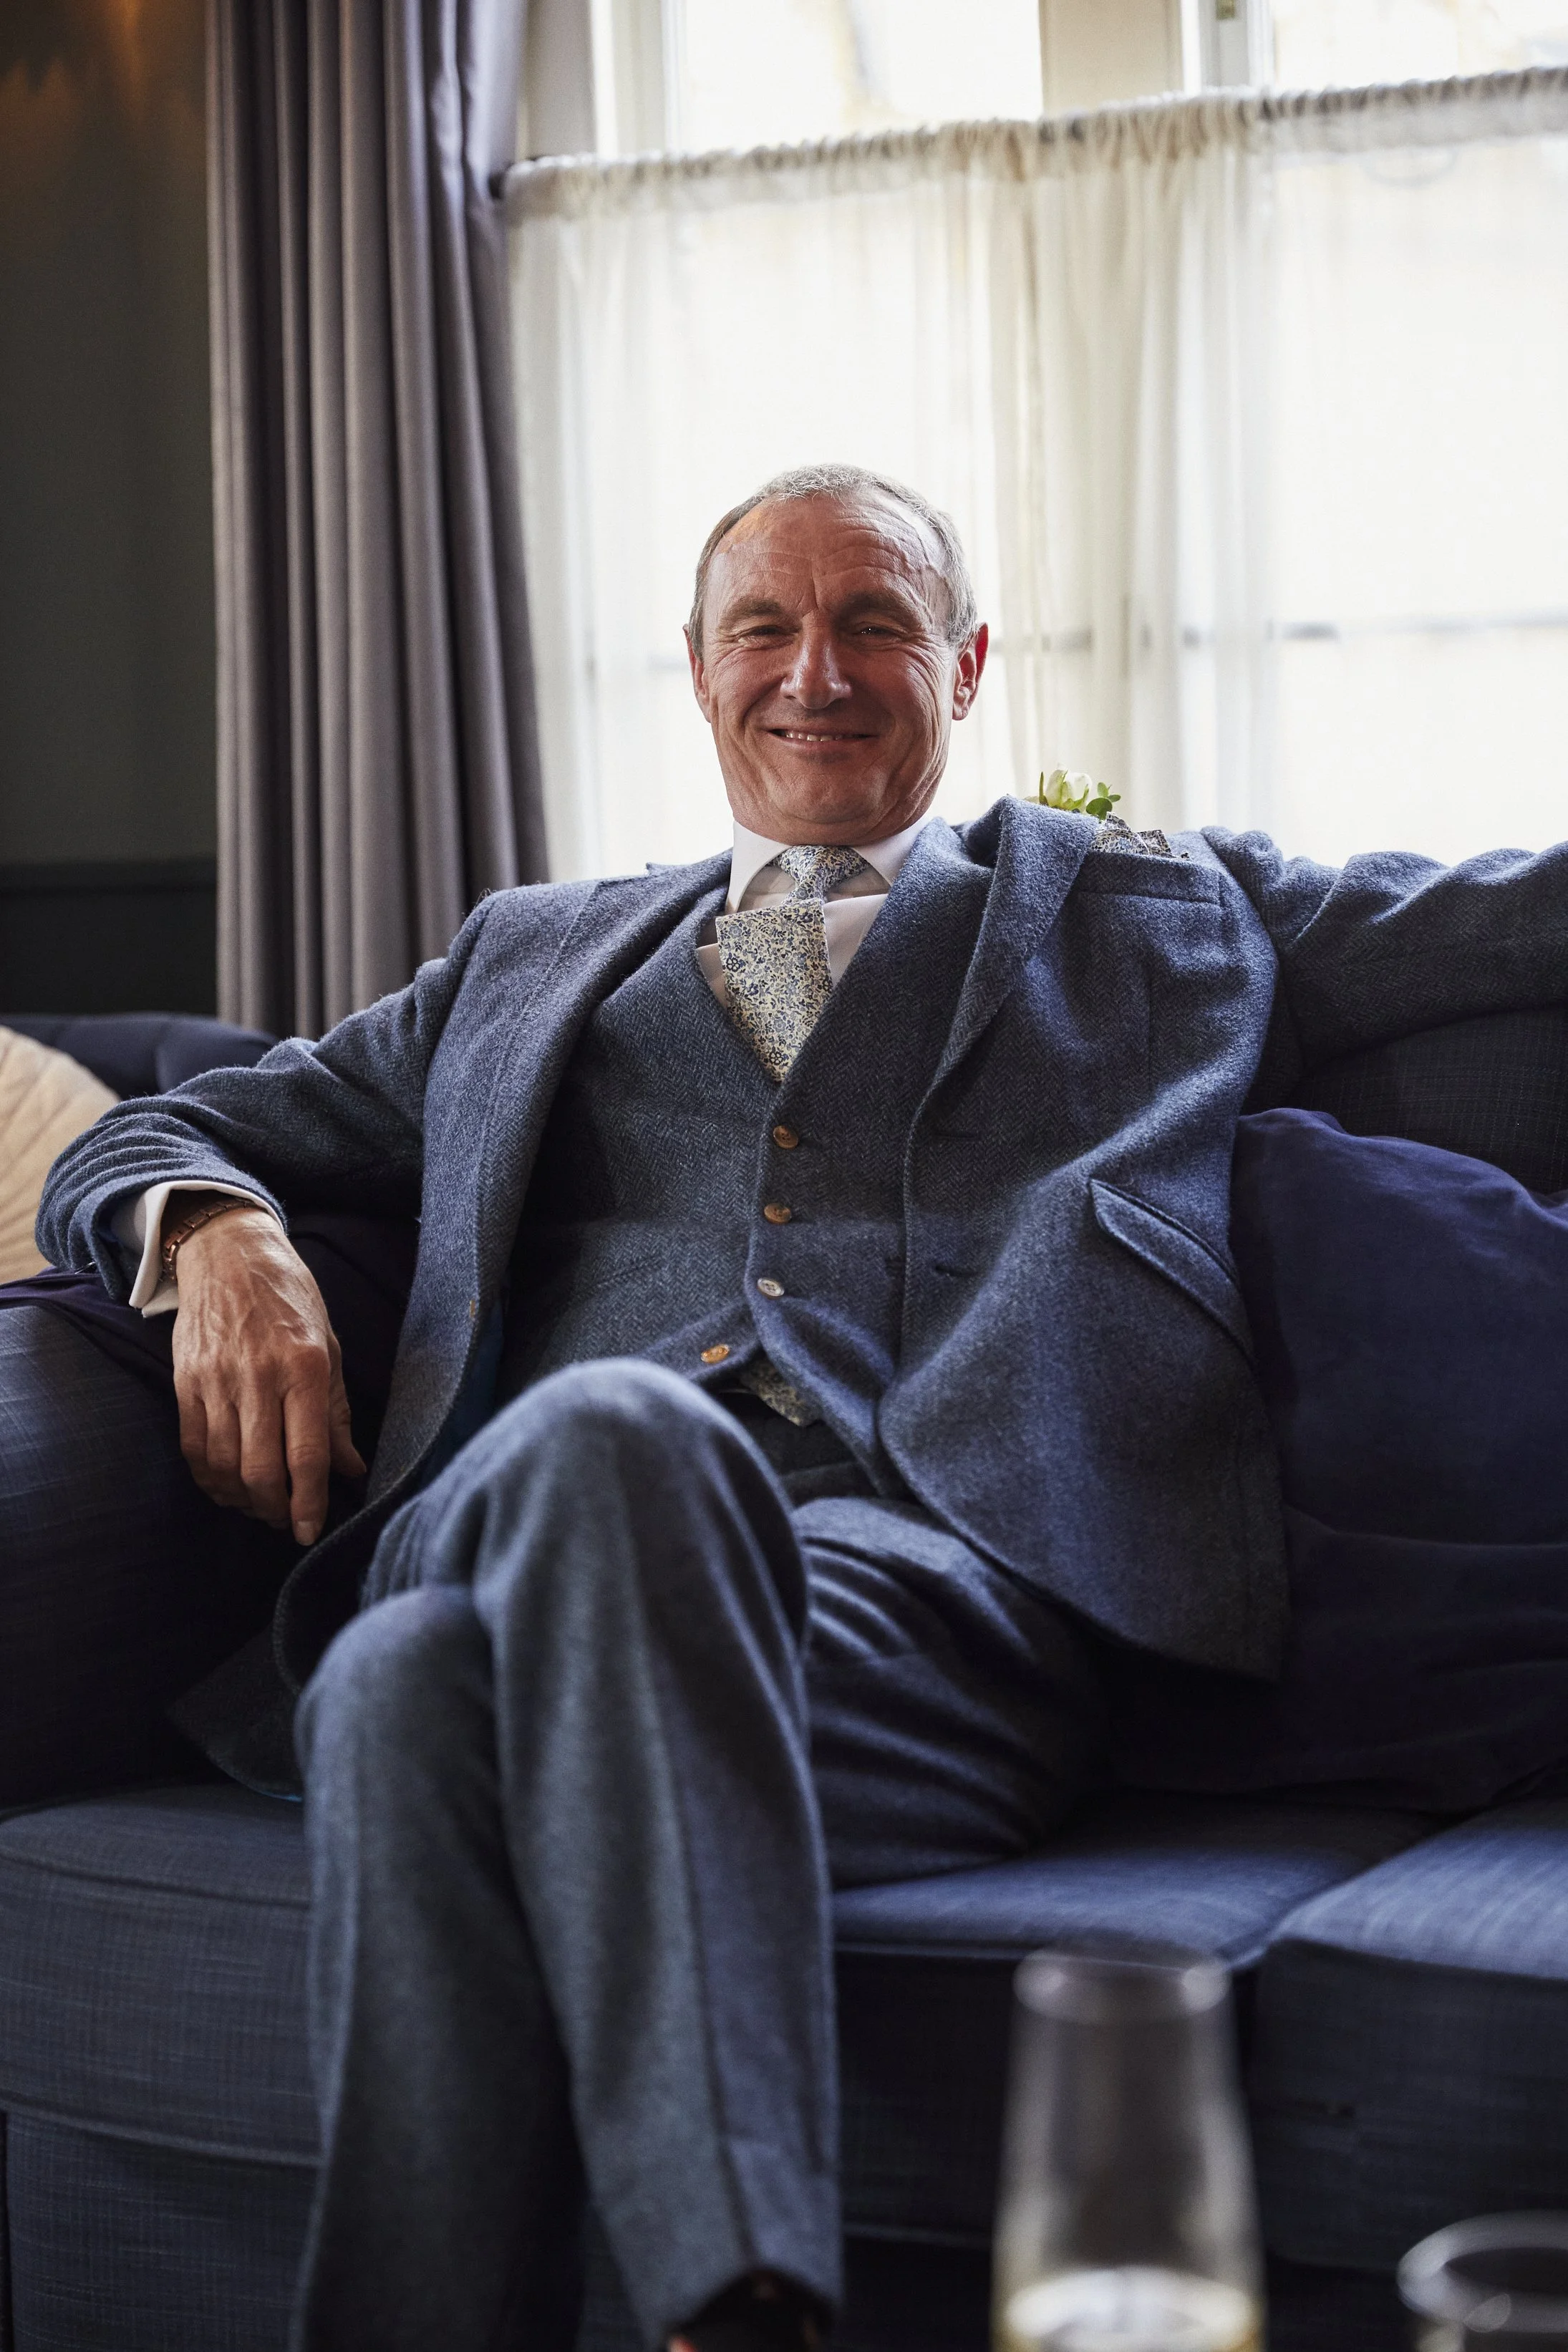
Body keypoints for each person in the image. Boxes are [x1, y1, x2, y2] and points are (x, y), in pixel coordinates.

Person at [14, 462, 1568, 2352]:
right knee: (588, 1468)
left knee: (409, 1695)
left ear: (964, 662)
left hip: (938, 1604)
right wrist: (221, 1243)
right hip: (543, 1540)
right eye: (764, 624)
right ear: (695, 669)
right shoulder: (526, 960)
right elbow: (177, 1126)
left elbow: (1512, 921)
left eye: (873, 623)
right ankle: (733, 2303)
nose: (812, 669)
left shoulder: (1164, 908)